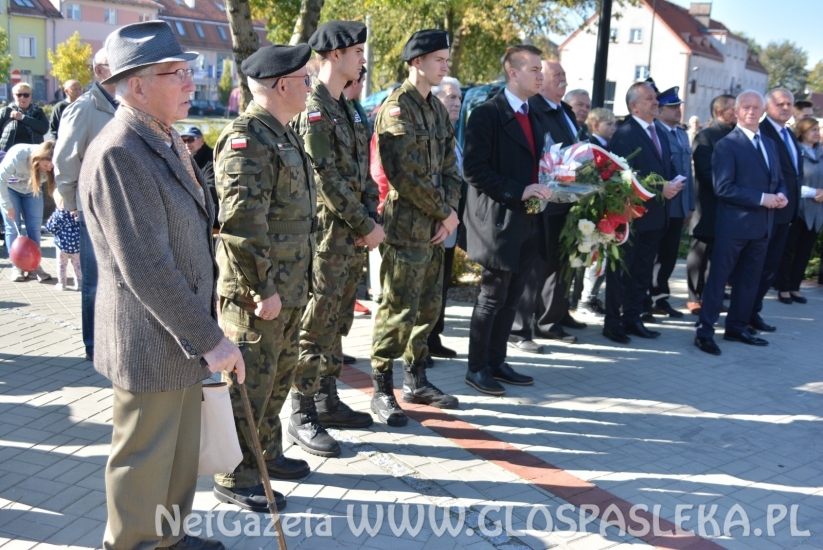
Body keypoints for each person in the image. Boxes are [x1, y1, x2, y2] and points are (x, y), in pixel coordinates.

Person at [80, 21, 244, 550]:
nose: (191, 82)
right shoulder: (120, 152)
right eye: (177, 73)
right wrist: (211, 339)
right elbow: (147, 267)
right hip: (151, 339)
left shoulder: (163, 137)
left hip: (181, 334)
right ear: (137, 85)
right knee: (144, 461)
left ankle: (169, 540)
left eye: (186, 71)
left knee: (177, 455)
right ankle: (133, 545)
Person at [212, 43, 315, 513]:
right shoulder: (247, 138)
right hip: (260, 293)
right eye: (305, 79)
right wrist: (263, 289)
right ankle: (235, 474)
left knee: (277, 377)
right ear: (282, 85)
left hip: (289, 286)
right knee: (249, 385)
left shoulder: (283, 133)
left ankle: (265, 454)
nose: (310, 86)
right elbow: (241, 225)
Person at [288, 21, 382, 459]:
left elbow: (363, 172)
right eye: (357, 51)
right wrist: (364, 223)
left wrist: (369, 215)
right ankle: (301, 411)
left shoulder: (350, 108)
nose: (362, 59)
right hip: (326, 236)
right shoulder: (315, 109)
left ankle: (326, 398)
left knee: (337, 320)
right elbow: (324, 177)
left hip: (349, 236)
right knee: (315, 324)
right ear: (334, 55)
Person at [369, 30, 461, 425]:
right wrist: (444, 211)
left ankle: (417, 380)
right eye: (439, 59)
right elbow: (404, 175)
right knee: (397, 308)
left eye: (446, 59)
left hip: (435, 225)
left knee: (428, 306)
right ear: (417, 62)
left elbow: (451, 166)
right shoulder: (396, 109)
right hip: (406, 225)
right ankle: (381, 388)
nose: (445, 66)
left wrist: (450, 211)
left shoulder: (436, 109)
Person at [463, 44, 548, 395]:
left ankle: (496, 361)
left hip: (529, 219)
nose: (541, 76)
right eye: (534, 69)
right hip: (499, 219)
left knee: (513, 296)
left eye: (541, 70)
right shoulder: (488, 113)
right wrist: (518, 190)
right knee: (492, 296)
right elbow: (473, 169)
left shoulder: (535, 113)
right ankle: (476, 368)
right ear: (513, 73)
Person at [694, 90, 787, 355]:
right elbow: (723, 188)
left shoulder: (769, 143)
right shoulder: (727, 144)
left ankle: (736, 327)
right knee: (719, 280)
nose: (751, 111)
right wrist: (763, 198)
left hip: (762, 226)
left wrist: (781, 195)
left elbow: (779, 179)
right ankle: (704, 332)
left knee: (749, 281)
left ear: (763, 111)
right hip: (733, 226)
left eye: (756, 107)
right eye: (745, 107)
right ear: (736, 112)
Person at [510, 58, 585, 354]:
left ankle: (550, 321)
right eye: (557, 75)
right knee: (532, 268)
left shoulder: (565, 109)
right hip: (542, 201)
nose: (562, 79)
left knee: (557, 263)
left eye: (564, 74)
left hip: (567, 201)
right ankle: (519, 328)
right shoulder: (535, 108)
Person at [55, 47, 117, 362]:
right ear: (100, 71)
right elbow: (65, 161)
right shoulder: (83, 108)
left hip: (122, 207)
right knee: (94, 281)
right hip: (92, 208)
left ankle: (114, 339)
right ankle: (94, 346)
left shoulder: (125, 104)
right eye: (117, 63)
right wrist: (72, 203)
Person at [604, 81, 678, 344]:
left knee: (642, 272)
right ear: (634, 106)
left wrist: (672, 183)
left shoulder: (660, 131)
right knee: (622, 273)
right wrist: (660, 188)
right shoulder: (625, 134)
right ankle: (613, 323)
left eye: (655, 98)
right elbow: (623, 176)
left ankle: (633, 318)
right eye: (649, 98)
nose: (656, 102)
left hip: (656, 216)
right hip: (632, 217)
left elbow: (664, 167)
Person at [751, 88, 804, 332]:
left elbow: (794, 175)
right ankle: (744, 314)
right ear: (767, 106)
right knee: (757, 267)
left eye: (789, 104)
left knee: (770, 267)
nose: (785, 108)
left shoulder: (789, 134)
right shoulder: (761, 131)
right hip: (766, 212)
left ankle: (753, 312)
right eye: (780, 103)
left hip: (785, 213)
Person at [686, 94, 736, 314]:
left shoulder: (736, 135)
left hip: (730, 208)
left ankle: (711, 295)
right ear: (720, 112)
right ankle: (694, 297)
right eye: (734, 108)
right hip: (708, 206)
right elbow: (705, 173)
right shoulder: (706, 136)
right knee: (700, 253)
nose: (738, 112)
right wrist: (732, 189)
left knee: (718, 257)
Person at [426, 75, 464, 363]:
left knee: (441, 284)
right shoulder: (430, 130)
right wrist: (444, 213)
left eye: (460, 98)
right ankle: (420, 344)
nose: (457, 103)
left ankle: (433, 337)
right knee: (426, 287)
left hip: (449, 221)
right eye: (451, 97)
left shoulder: (450, 132)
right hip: (433, 221)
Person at [649, 86, 694, 318]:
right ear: (659, 111)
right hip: (662, 203)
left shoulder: (682, 134)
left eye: (679, 106)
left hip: (679, 205)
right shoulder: (656, 133)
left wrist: (690, 205)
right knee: (655, 254)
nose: (678, 110)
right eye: (672, 107)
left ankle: (661, 297)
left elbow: (688, 174)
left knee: (669, 255)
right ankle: (651, 297)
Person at [775, 117, 823, 303]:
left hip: (817, 210)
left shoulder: (821, 152)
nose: (817, 133)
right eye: (812, 130)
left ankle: (795, 287)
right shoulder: (795, 152)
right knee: (789, 249)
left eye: (817, 129)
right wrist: (813, 192)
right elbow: (792, 182)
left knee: (805, 251)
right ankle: (783, 287)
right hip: (798, 208)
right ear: (802, 132)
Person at [576, 107, 616, 317]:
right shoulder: (590, 147)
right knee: (593, 257)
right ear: (595, 125)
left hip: (607, 210)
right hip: (593, 210)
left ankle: (591, 297)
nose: (613, 128)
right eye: (609, 124)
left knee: (602, 257)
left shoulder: (609, 146)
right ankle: (584, 300)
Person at [0, 141, 55, 282]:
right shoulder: (19, 156)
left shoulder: (52, 164)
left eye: (51, 166)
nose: (49, 169)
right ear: (38, 159)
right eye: (46, 165)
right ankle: (16, 266)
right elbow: (1, 179)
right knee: (13, 227)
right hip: (10, 189)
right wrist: (7, 206)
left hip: (32, 190)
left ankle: (34, 266)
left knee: (34, 228)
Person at [45, 189, 81, 291]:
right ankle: (79, 283)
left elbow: (50, 228)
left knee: (61, 266)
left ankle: (62, 284)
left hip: (62, 246)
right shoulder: (77, 213)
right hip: (77, 246)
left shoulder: (57, 215)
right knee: (78, 266)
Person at [180, 125, 218, 222]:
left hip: (212, 211)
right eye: (183, 140)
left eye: (191, 139)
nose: (187, 144)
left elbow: (211, 188)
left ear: (202, 140)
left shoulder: (212, 159)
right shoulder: (185, 159)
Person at [0, 83, 48, 152]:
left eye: (26, 95)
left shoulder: (38, 111)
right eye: (19, 95)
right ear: (14, 96)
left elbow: (44, 129)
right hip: (10, 153)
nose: (22, 98)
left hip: (34, 153)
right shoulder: (6, 111)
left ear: (30, 96)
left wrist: (22, 118)